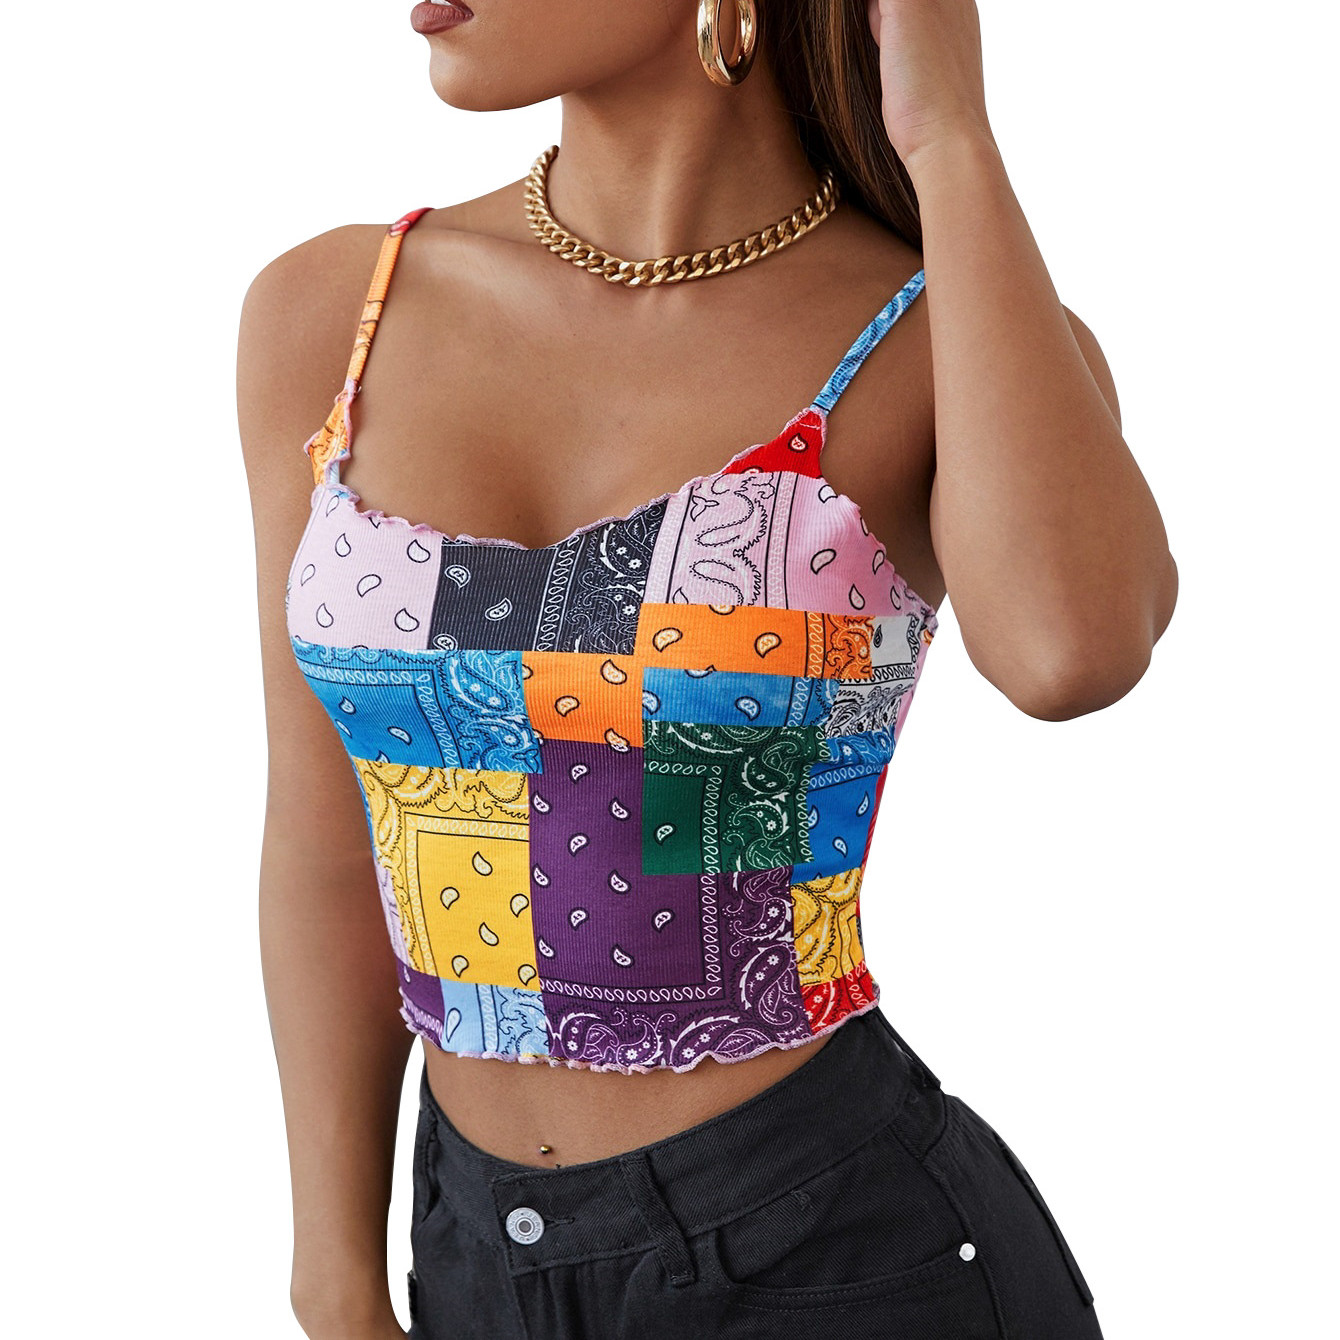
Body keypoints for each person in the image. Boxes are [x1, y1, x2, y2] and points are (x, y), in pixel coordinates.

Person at [237, 2, 1177, 1337]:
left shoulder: (933, 338)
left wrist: (951, 138)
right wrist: (333, 1283)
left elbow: (1070, 652)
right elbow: (325, 837)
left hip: (834, 1254)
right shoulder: (338, 313)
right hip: (472, 1257)